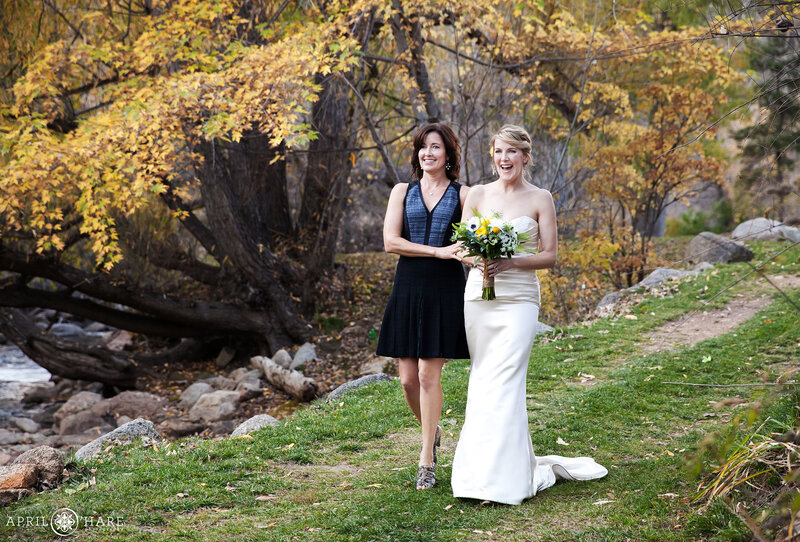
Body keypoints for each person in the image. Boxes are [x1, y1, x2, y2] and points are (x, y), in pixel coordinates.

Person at [451, 124, 607, 505]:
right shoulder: (476, 194)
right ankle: (476, 477)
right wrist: (482, 259)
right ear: (493, 156)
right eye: (498, 152)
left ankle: (503, 483)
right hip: (479, 297)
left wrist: (510, 261)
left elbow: (550, 255)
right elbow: (460, 246)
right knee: (482, 379)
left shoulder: (541, 198)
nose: (504, 159)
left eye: (511, 152)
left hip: (519, 300)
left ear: (524, 156)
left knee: (506, 381)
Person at [376, 123, 470, 490]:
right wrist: (436, 251)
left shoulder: (464, 195)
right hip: (408, 287)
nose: (428, 153)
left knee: (430, 376)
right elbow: (390, 241)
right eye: (422, 147)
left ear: (448, 154)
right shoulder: (403, 191)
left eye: (436, 147)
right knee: (407, 380)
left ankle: (426, 459)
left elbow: (472, 239)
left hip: (445, 290)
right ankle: (434, 429)